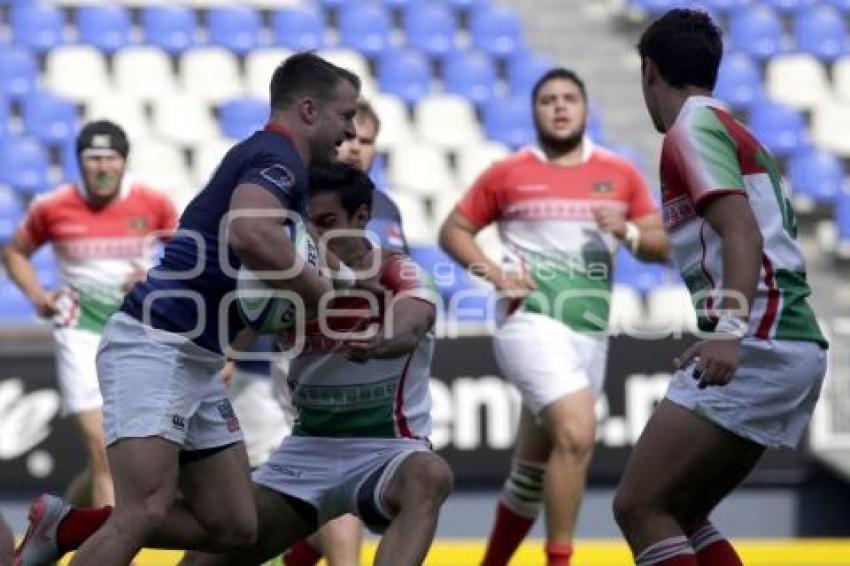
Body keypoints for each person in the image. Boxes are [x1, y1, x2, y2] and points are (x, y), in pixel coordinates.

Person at [14, 52, 361, 566]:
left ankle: (69, 523)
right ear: (309, 109)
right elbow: (251, 235)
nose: (350, 130)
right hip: (156, 345)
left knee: (235, 525)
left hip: (194, 356)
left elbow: (250, 276)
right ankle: (68, 528)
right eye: (346, 114)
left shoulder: (278, 160)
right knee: (142, 513)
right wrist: (325, 303)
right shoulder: (278, 157)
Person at [612, 9, 829, 566]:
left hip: (759, 338)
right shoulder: (731, 127)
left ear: (649, 71)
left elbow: (741, 230)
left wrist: (730, 330)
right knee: (682, 515)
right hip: (788, 338)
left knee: (639, 507)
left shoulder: (692, 128)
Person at [439, 68, 669, 566]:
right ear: (534, 111)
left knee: (530, 472)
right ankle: (559, 560)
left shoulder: (620, 172)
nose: (559, 107)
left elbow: (662, 246)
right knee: (578, 433)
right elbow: (453, 230)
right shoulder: (508, 172)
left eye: (569, 98)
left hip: (590, 332)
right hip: (531, 320)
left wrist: (628, 232)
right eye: (548, 100)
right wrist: (495, 275)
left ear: (586, 109)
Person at [181, 162, 453, 566]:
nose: (313, 237)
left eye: (326, 222)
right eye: (306, 224)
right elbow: (239, 327)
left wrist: (379, 342)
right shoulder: (287, 280)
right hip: (307, 452)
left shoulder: (399, 271)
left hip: (389, 450)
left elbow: (411, 323)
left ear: (361, 218)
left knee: (430, 475)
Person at [2, 120, 178, 510]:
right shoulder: (52, 206)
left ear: (124, 162)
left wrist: (155, 279)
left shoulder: (154, 203)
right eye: (92, 158)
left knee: (129, 460)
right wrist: (36, 295)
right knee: (104, 451)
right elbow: (14, 251)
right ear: (79, 163)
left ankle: (56, 524)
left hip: (136, 334)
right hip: (78, 333)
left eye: (110, 158)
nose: (101, 167)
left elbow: (188, 257)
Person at [281, 98, 408, 566]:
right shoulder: (294, 200)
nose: (355, 148)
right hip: (300, 363)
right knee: (337, 477)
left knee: (317, 501)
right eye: (348, 137)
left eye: (366, 140)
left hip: (359, 364)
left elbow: (395, 281)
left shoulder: (387, 207)